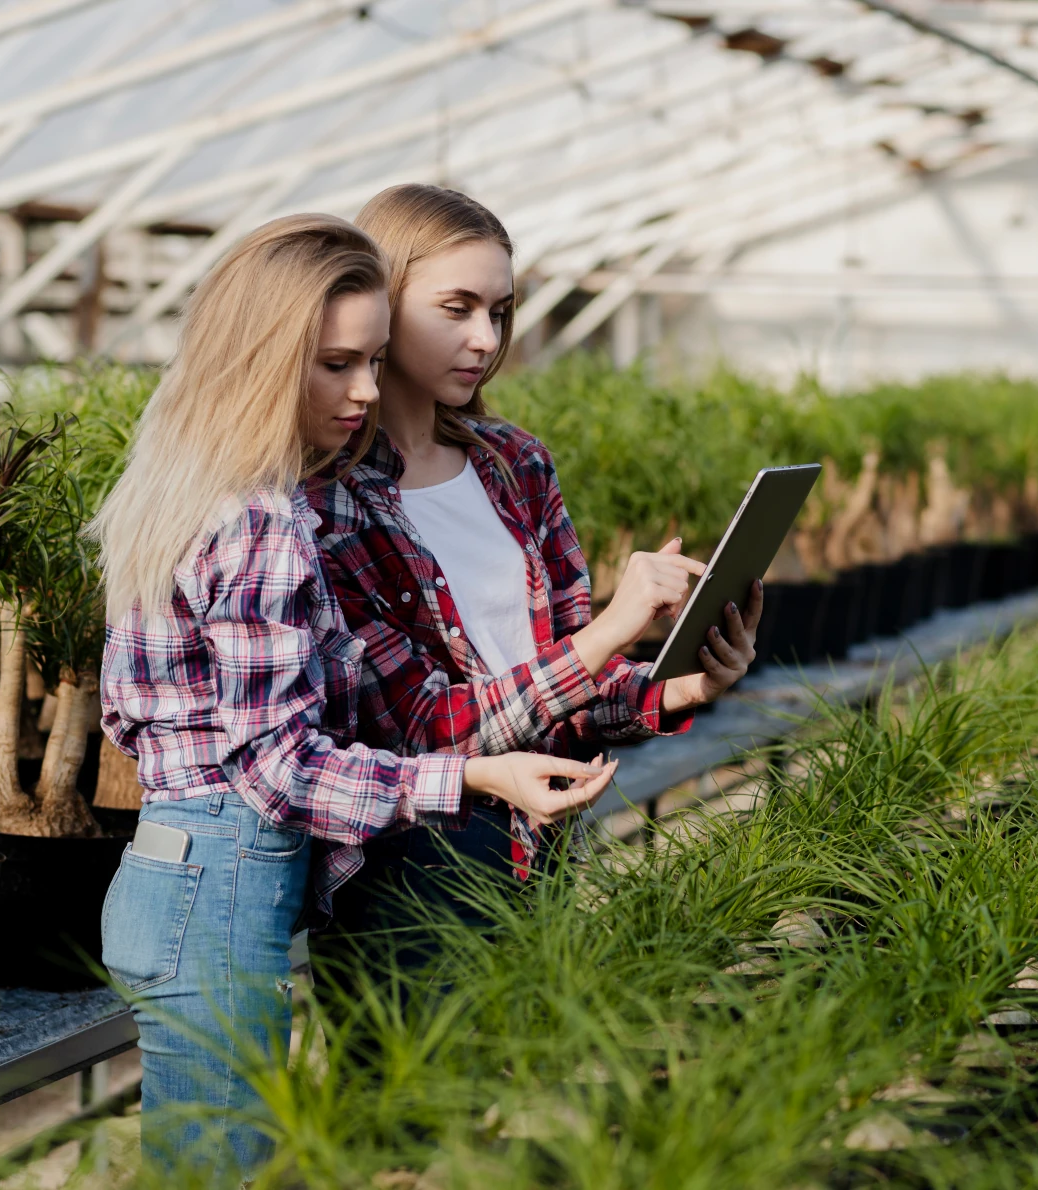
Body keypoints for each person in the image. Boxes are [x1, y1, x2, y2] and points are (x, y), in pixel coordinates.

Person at [90, 213, 618, 1179]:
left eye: (373, 361)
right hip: (218, 880)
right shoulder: (259, 516)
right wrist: (466, 778)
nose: (366, 391)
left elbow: (136, 717)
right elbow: (277, 767)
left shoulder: (186, 482)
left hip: (188, 869)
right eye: (337, 364)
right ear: (260, 357)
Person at [305, 184, 761, 982]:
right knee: (412, 1101)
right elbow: (426, 726)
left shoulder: (514, 463)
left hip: (544, 835)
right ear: (382, 300)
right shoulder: (325, 503)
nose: (485, 338)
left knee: (505, 1093)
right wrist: (613, 631)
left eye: (501, 311)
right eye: (457, 308)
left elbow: (557, 683)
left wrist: (674, 690)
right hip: (418, 861)